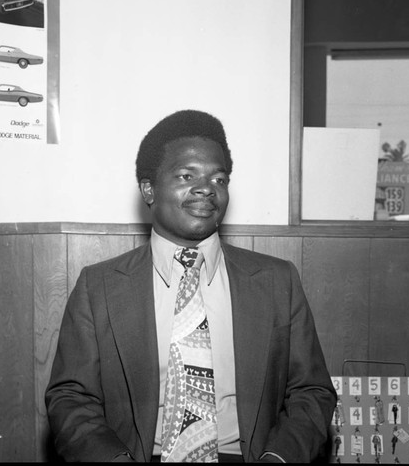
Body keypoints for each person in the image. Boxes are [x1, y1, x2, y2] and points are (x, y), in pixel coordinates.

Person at [45, 110, 337, 463]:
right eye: (187, 175)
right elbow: (70, 397)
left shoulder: (277, 281)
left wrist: (278, 458)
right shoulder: (99, 286)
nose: (206, 189)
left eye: (219, 180)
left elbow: (312, 391)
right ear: (149, 190)